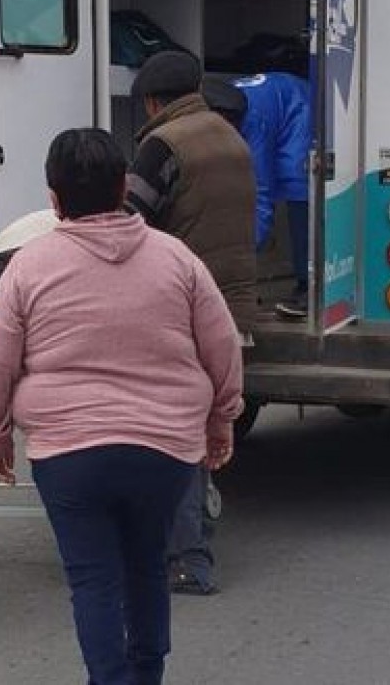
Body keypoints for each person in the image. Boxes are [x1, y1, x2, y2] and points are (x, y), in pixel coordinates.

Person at [0, 128, 244, 685]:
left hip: (69, 453)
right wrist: (221, 419)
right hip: (165, 447)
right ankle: (146, 675)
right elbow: (221, 345)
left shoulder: (29, 266)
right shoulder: (177, 259)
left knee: (93, 579)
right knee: (147, 564)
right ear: (124, 186)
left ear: (53, 199)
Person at [124, 50, 257, 597]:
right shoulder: (231, 137)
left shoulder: (163, 145)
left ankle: (187, 557)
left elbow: (129, 221)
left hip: (181, 305)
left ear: (153, 101)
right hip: (233, 303)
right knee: (196, 425)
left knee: (169, 431)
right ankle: (192, 532)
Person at [205, 69, 314, 319]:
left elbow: (260, 190)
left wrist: (247, 252)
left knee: (297, 183)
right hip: (280, 95)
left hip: (299, 108)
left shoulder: (252, 121)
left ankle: (309, 284)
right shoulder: (214, 108)